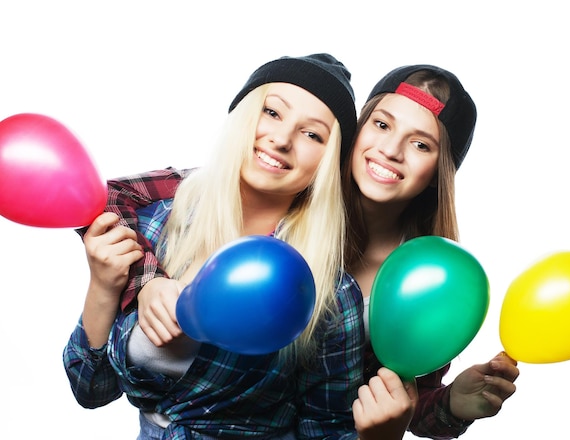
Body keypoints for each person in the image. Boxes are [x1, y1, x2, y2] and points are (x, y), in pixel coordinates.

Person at [63, 53, 365, 439]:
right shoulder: (156, 225)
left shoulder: (330, 293)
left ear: (329, 161)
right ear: (242, 115)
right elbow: (90, 387)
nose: (282, 139)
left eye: (312, 134)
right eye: (272, 112)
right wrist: (109, 286)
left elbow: (328, 431)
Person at [346, 65, 519, 439]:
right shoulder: (291, 210)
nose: (390, 150)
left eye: (420, 144)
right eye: (381, 125)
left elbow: (403, 402)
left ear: (439, 171)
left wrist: (451, 403)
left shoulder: (434, 280)